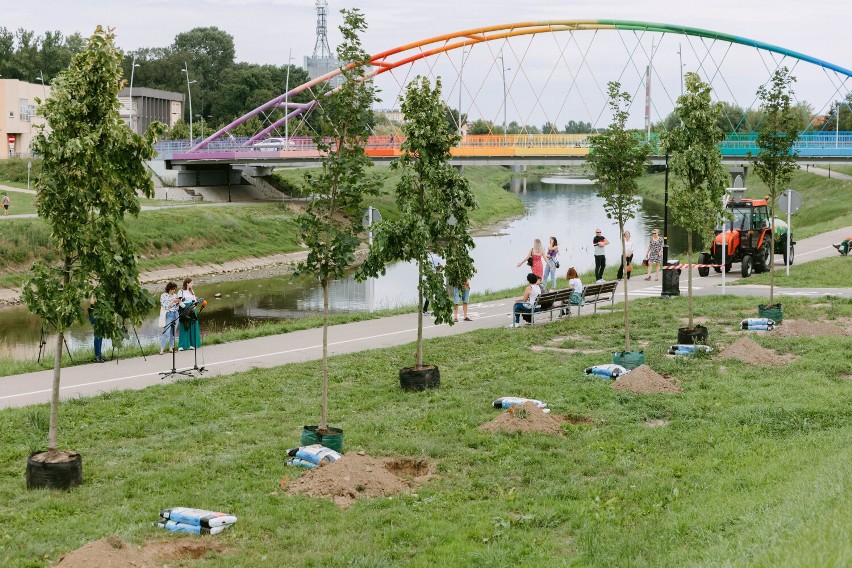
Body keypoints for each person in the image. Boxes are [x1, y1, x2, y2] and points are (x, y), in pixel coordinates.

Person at [177, 278, 202, 350]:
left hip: (191, 309)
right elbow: (179, 301)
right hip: (184, 309)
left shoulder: (192, 291)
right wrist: (185, 307)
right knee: (184, 325)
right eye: (191, 283)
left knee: (192, 325)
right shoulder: (181, 291)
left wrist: (194, 306)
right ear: (187, 283)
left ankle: (191, 344)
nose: (192, 284)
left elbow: (194, 300)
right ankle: (182, 345)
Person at [159, 281, 181, 355]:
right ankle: (162, 349)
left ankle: (171, 348)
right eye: (172, 289)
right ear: (169, 288)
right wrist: (173, 301)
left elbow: (177, 306)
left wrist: (178, 302)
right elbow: (165, 306)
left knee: (173, 332)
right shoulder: (163, 295)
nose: (174, 291)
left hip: (176, 314)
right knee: (166, 332)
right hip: (169, 314)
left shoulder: (176, 295)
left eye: (175, 289)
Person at [88, 296, 106, 363]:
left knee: (100, 335)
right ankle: (97, 357)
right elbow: (92, 302)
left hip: (99, 314)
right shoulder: (94, 292)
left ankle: (99, 355)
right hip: (94, 314)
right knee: (97, 335)